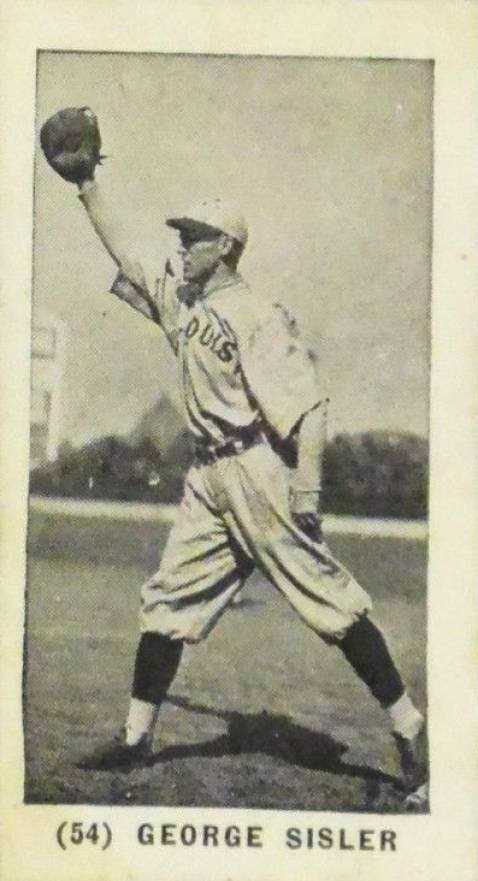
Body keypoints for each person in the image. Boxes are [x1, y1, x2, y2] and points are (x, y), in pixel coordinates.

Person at [46, 144, 427, 808]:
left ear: (223, 246)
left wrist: (307, 487)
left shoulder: (257, 314)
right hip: (208, 477)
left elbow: (308, 407)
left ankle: (410, 730)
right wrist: (88, 186)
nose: (181, 246)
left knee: (329, 601)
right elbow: (126, 254)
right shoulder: (183, 303)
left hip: (260, 469)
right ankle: (137, 739)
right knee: (165, 599)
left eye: (191, 237)